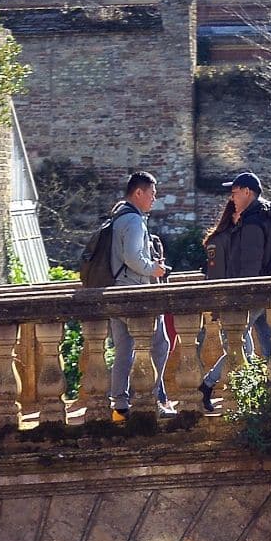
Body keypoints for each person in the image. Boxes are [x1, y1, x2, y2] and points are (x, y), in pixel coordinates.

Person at [197, 172, 271, 413]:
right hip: (264, 292)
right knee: (266, 344)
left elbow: (250, 267)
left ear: (247, 192)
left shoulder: (253, 222)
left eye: (235, 191)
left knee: (240, 342)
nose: (232, 197)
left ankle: (207, 385)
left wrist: (239, 297)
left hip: (252, 294)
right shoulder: (261, 215)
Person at [105, 172, 171, 416]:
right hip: (135, 292)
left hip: (116, 290)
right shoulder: (133, 221)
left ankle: (120, 404)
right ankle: (149, 398)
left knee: (123, 349)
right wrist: (155, 269)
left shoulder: (117, 216)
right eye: (152, 194)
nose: (154, 199)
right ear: (138, 193)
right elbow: (133, 258)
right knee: (160, 344)